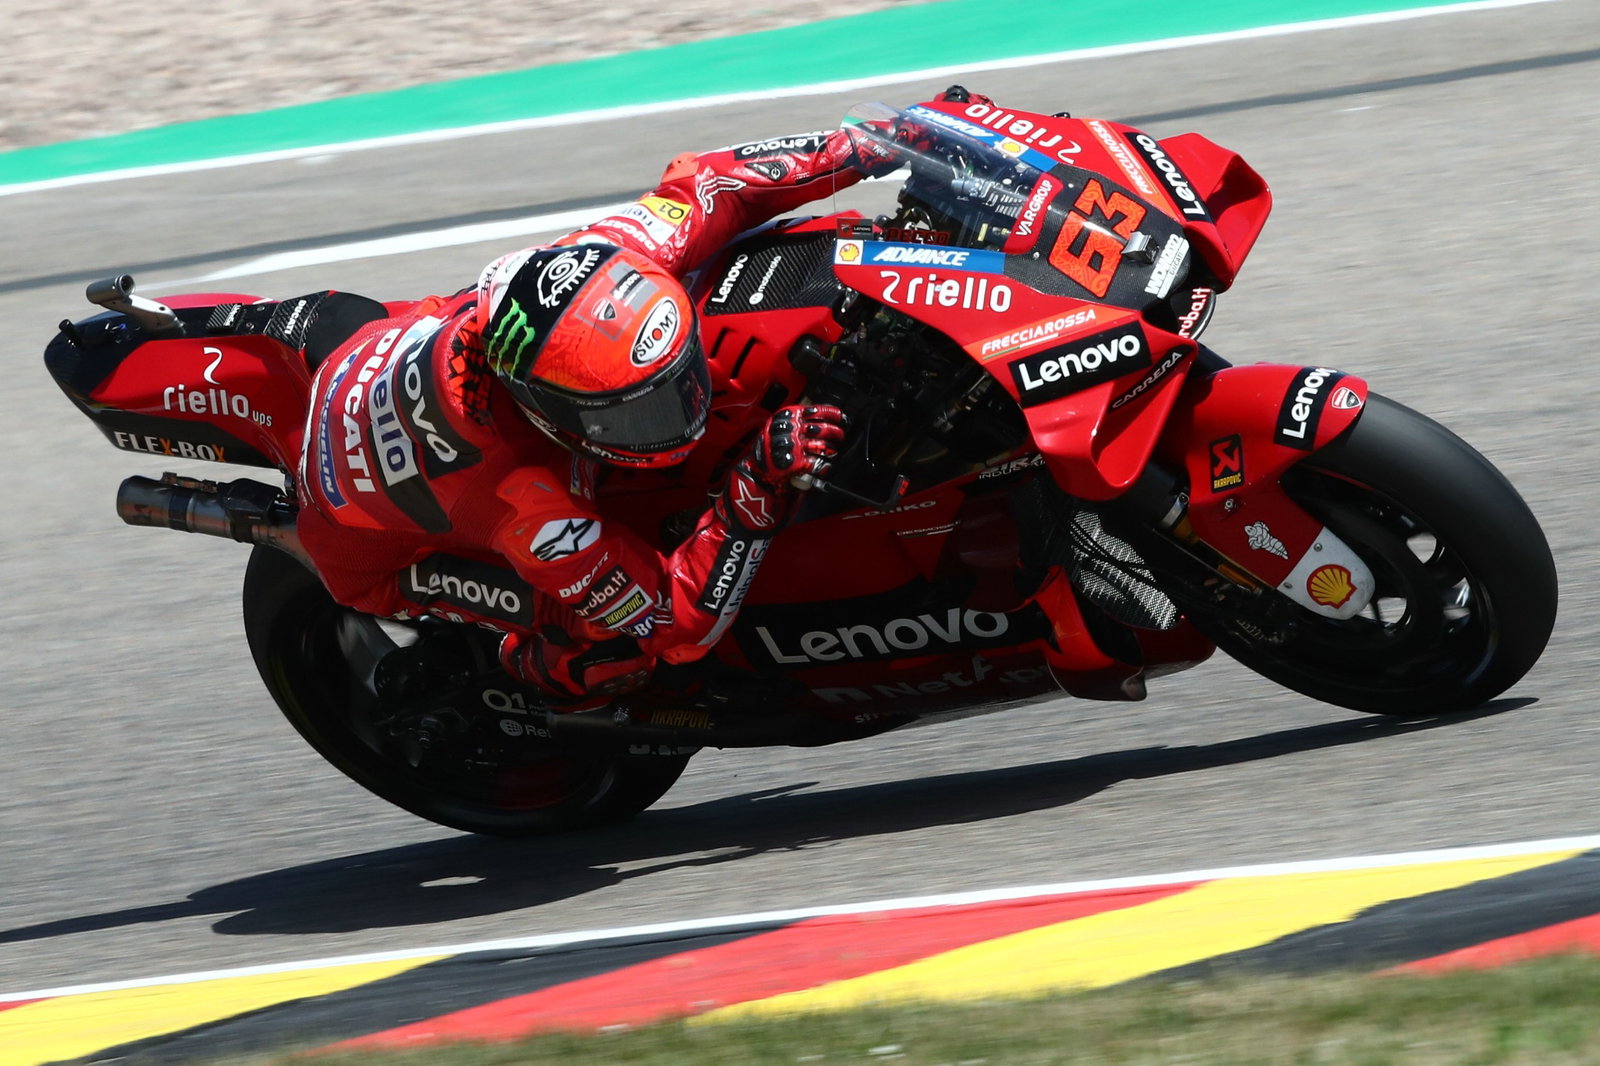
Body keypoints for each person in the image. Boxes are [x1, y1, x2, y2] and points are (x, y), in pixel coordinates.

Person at [257, 96, 960, 706]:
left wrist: (869, 146)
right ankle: (526, 677)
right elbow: (674, 622)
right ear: (545, 411)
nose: (680, 411)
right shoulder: (523, 504)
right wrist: (754, 488)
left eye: (674, 384)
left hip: (398, 340)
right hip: (374, 549)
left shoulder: (608, 254)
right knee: (612, 647)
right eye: (634, 412)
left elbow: (713, 187)